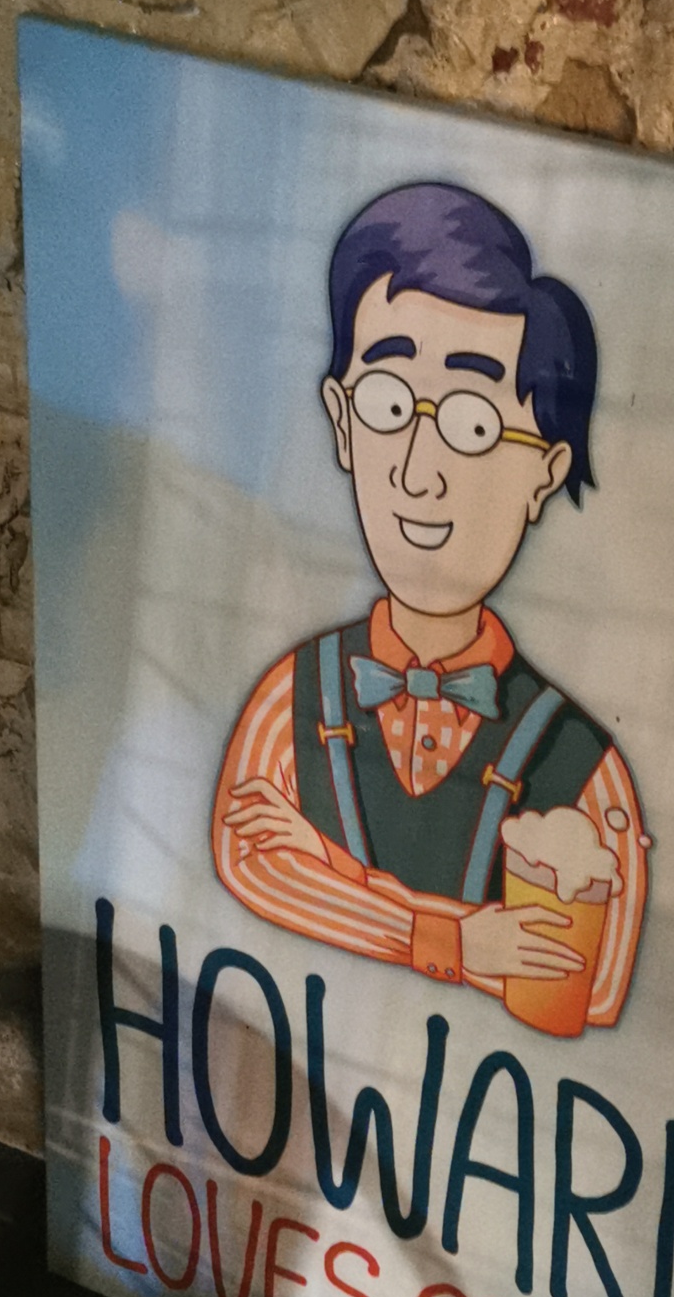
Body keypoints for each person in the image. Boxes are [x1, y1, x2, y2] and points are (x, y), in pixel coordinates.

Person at [211, 181, 648, 1032]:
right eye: (385, 406)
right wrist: (455, 941)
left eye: (473, 423)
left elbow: (595, 987)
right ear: (342, 422)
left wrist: (332, 875)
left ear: (546, 471)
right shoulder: (291, 697)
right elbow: (251, 859)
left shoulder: (582, 764)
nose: (418, 472)